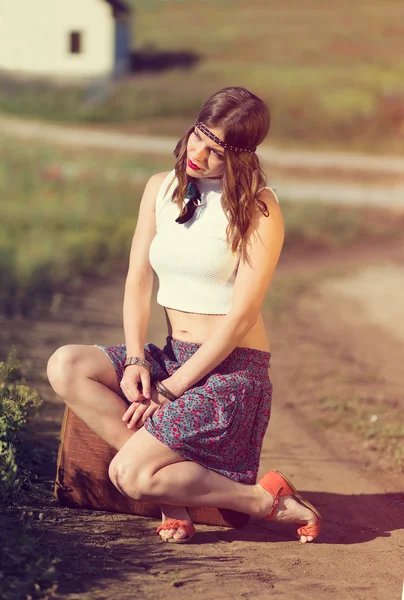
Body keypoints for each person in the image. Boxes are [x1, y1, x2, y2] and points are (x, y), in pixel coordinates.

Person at [47, 86, 321, 544]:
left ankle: (263, 500)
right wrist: (136, 359)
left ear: (241, 156)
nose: (198, 154)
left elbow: (241, 316)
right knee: (66, 364)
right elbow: (138, 279)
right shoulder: (161, 187)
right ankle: (173, 496)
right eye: (198, 136)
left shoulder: (258, 207)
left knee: (129, 477)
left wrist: (170, 390)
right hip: (172, 355)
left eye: (216, 151)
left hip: (229, 373)